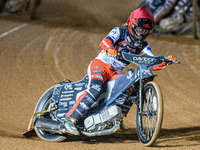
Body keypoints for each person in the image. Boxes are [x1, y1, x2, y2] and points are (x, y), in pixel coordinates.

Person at [63, 7, 176, 135]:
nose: (141, 33)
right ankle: (69, 119)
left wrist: (165, 61)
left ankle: (118, 118)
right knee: (95, 89)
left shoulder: (144, 45)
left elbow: (149, 60)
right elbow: (105, 42)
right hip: (100, 65)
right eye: (139, 29)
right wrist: (109, 48)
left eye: (145, 30)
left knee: (130, 87)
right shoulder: (119, 31)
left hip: (114, 73)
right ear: (131, 25)